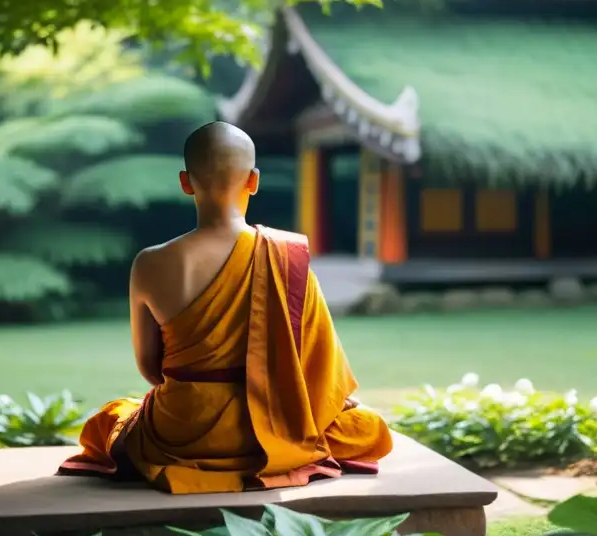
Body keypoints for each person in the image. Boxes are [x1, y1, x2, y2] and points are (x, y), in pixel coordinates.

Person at [58, 121, 392, 493]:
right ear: (254, 180)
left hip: (181, 430)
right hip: (272, 429)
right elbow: (316, 372)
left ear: (186, 182)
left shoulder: (149, 264)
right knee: (365, 428)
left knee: (108, 422)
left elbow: (150, 368)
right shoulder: (286, 257)